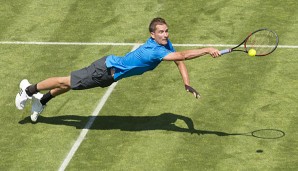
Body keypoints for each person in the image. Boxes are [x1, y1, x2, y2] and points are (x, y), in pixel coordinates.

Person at [15, 17, 221, 122]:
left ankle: (42, 101)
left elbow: (179, 61)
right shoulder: (154, 52)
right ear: (152, 35)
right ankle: (28, 90)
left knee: (71, 84)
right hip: (104, 70)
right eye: (161, 32)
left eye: (167, 31)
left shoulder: (165, 45)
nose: (166, 35)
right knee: (65, 81)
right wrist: (207, 49)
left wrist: (186, 83)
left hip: (109, 76)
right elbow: (183, 56)